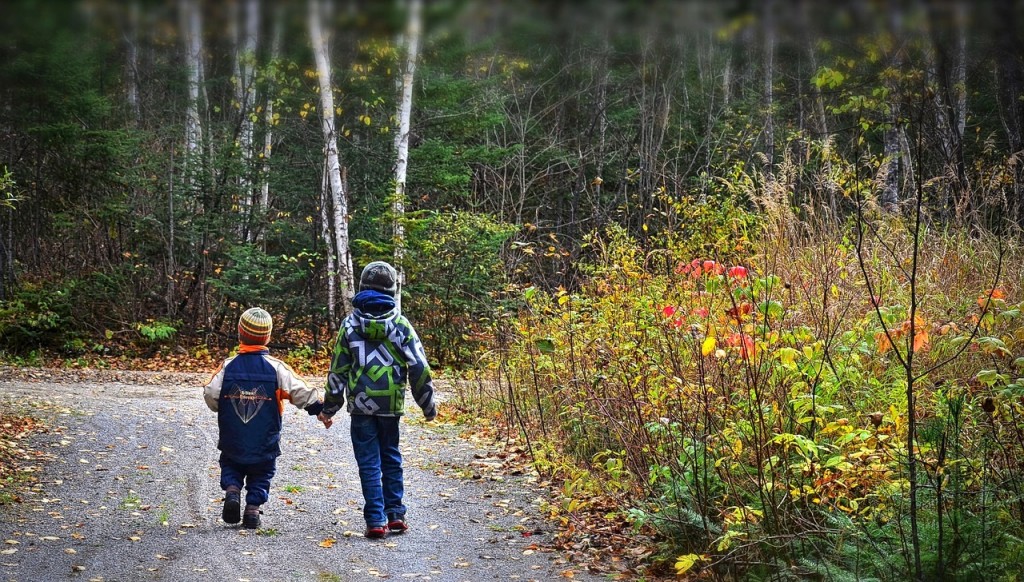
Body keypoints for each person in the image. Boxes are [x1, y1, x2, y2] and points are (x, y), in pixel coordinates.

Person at [319, 261, 437, 539]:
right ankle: (395, 513)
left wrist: (329, 407)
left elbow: (338, 369)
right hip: (390, 405)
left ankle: (375, 519)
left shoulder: (349, 326)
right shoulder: (400, 326)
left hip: (361, 407)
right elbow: (419, 366)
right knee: (391, 456)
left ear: (362, 288)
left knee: (369, 461)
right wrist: (427, 405)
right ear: (392, 290)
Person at [203, 307, 329, 529]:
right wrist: (319, 408)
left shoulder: (227, 366)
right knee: (262, 472)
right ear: (268, 337)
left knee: (230, 464)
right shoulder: (276, 368)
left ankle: (232, 491)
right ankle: (252, 510)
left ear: (239, 332)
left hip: (233, 436)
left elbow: (211, 393)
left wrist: (219, 407)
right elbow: (300, 390)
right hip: (265, 438)